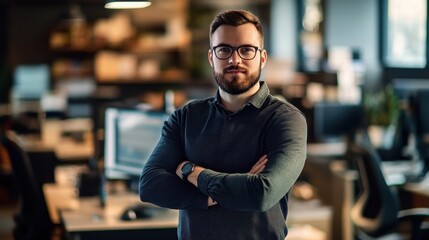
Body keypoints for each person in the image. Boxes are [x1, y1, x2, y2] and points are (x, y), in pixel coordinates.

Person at [139, 9, 307, 240]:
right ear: (211, 57)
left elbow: (262, 194)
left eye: (246, 49)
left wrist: (192, 172)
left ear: (262, 57)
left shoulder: (285, 119)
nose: (234, 60)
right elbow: (149, 185)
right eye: (224, 49)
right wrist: (224, 191)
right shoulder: (186, 117)